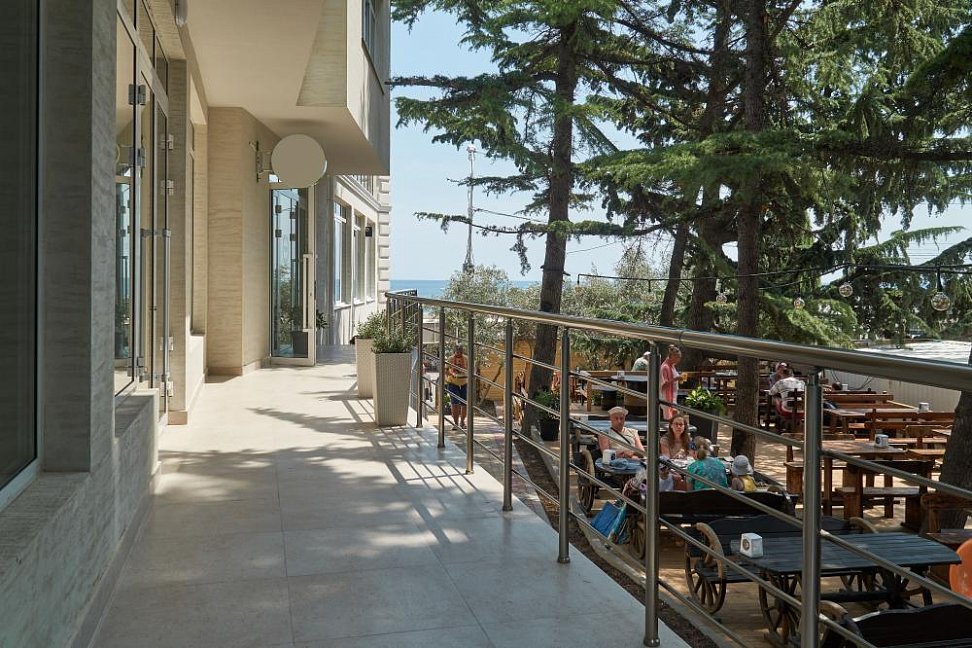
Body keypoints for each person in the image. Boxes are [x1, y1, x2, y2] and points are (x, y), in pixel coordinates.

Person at [445, 345, 468, 429]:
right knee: (455, 404)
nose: (459, 352)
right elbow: (446, 370)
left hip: (464, 383)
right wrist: (452, 374)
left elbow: (471, 369)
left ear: (462, 351)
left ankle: (462, 422)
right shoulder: (450, 359)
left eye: (460, 351)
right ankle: (455, 423)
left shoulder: (466, 359)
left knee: (464, 404)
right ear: (455, 351)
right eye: (457, 351)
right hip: (453, 383)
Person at [660, 345, 682, 420]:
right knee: (672, 417)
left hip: (673, 395)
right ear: (672, 356)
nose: (679, 360)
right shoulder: (665, 367)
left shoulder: (672, 366)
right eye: (677, 357)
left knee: (674, 416)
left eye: (679, 357)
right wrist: (675, 379)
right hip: (667, 396)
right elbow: (664, 385)